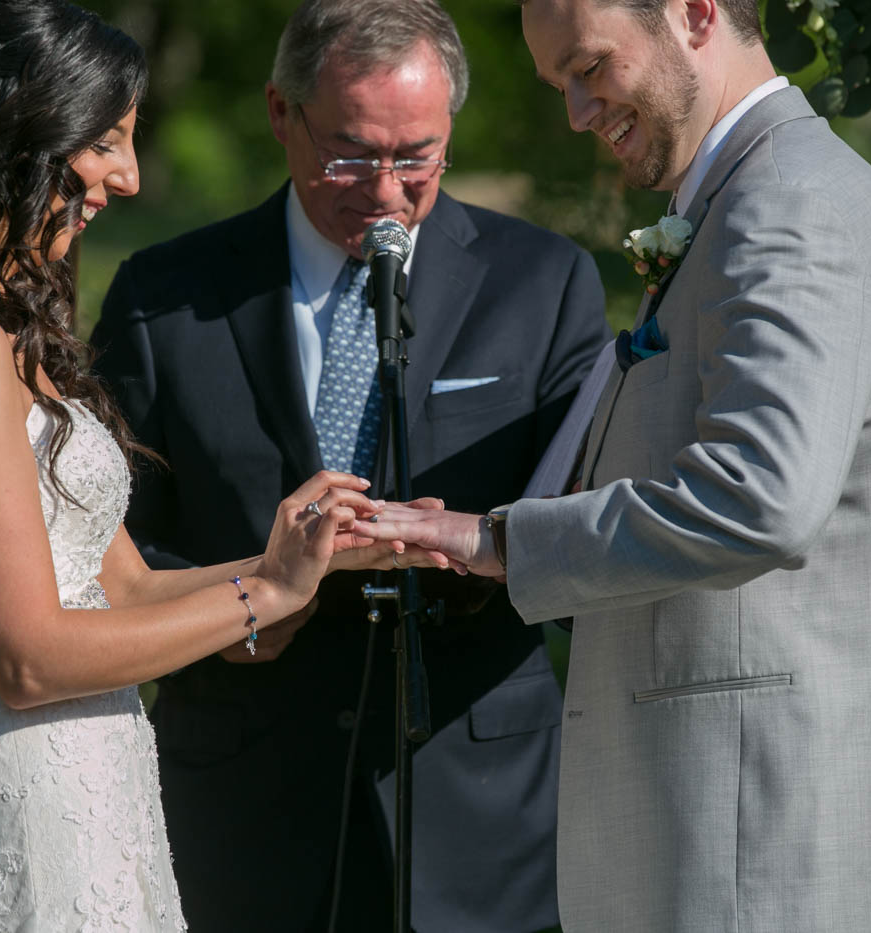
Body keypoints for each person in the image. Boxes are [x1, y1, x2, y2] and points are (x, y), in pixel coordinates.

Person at [364, 0, 871, 930]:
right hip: (746, 824)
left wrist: (495, 537)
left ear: (695, 11)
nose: (578, 113)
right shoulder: (742, 197)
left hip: (776, 832)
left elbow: (760, 495)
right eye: (561, 86)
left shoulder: (789, 204)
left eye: (590, 68)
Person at [0, 1, 409, 929]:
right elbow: (25, 658)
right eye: (106, 140)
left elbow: (116, 588)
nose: (126, 177)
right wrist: (263, 601)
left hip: (94, 798)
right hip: (23, 812)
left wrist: (301, 561)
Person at [89, 0, 610, 929]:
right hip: (243, 802)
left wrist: (483, 548)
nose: (384, 191)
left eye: (417, 156)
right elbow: (106, 543)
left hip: (480, 803)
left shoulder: (546, 281)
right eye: (350, 152)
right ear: (281, 114)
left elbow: (586, 521)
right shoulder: (164, 297)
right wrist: (238, 608)